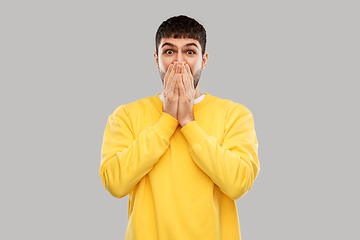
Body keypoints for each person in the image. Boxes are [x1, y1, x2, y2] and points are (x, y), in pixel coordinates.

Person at [100, 15, 260, 240]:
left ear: (204, 60)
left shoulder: (235, 115)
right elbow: (115, 184)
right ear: (156, 59)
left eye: (190, 51)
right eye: (169, 51)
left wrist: (189, 123)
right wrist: (167, 119)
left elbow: (238, 185)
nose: (179, 62)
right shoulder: (126, 115)